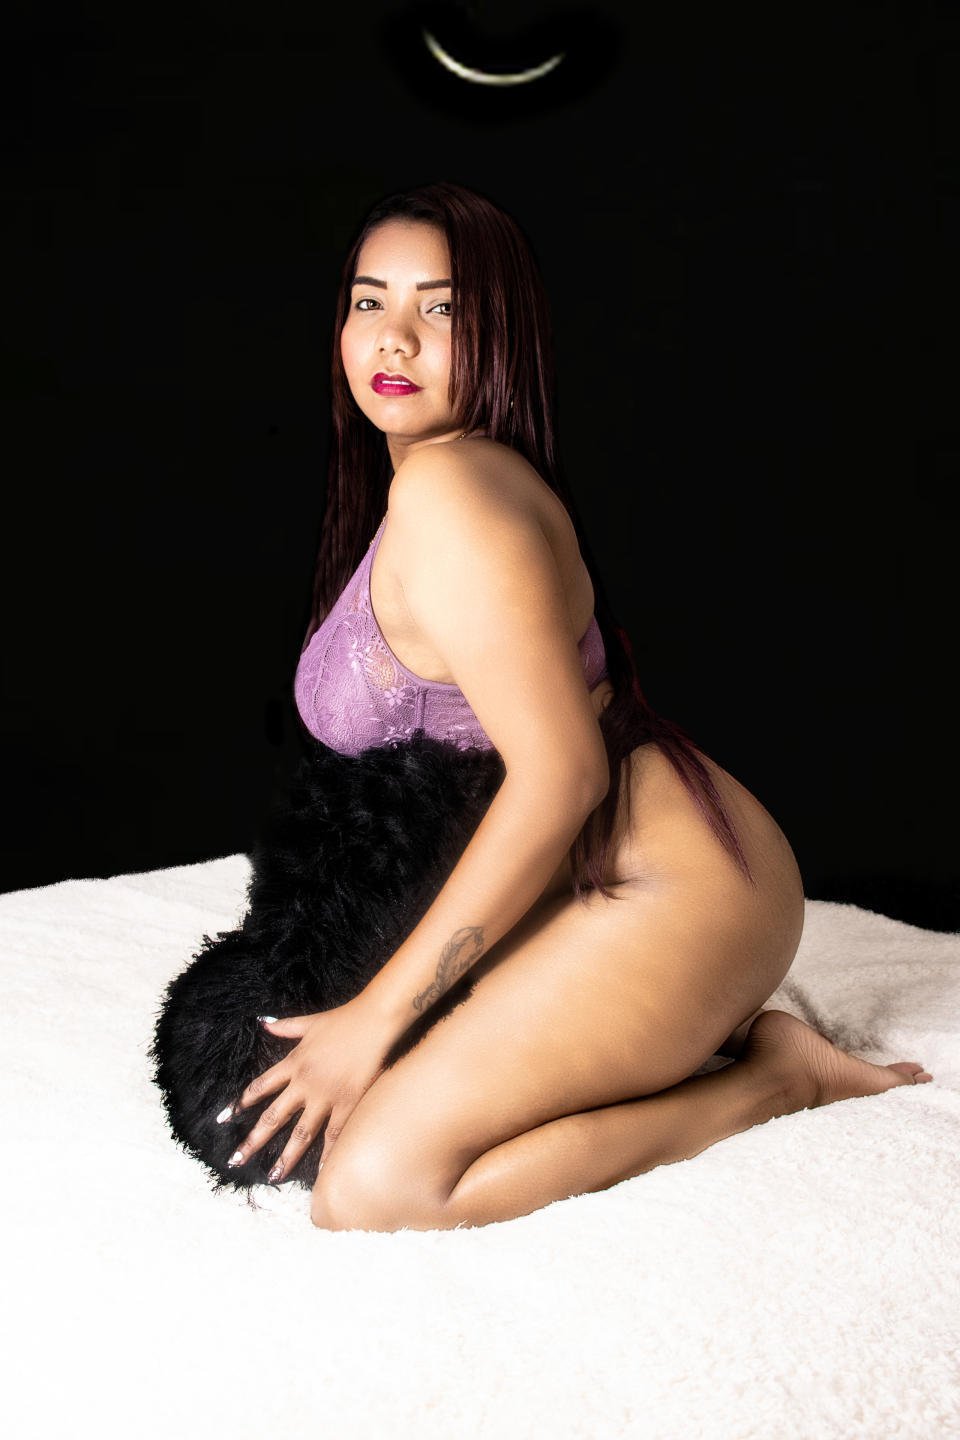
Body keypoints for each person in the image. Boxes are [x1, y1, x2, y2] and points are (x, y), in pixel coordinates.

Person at [215, 181, 932, 1231]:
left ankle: (777, 1078)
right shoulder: (434, 481)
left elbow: (564, 775)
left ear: (503, 332)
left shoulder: (452, 494)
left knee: (375, 1187)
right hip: (588, 877)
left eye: (442, 308)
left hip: (677, 889)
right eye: (370, 301)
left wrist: (374, 1019)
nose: (395, 338)